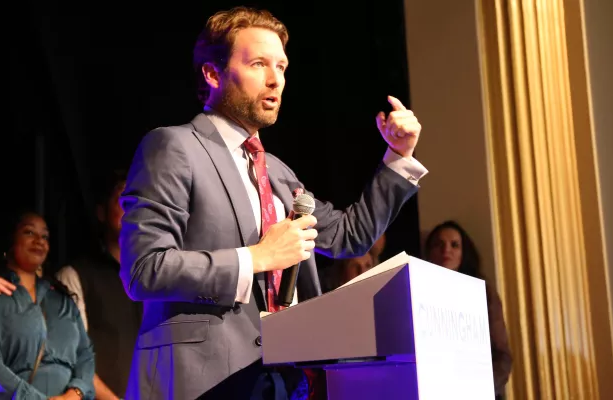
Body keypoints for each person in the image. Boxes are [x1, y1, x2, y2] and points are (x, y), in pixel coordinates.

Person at [120, 6, 428, 400]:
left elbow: (350, 237)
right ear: (213, 74)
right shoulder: (173, 147)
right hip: (202, 382)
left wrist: (398, 157)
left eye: (281, 67)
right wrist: (256, 258)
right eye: (258, 64)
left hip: (284, 383)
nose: (275, 80)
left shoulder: (279, 174)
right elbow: (143, 269)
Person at [0, 210, 95, 399]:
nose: (39, 240)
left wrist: (75, 393)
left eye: (45, 236)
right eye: (29, 232)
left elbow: (85, 356)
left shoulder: (62, 300)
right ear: (10, 239)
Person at [57, 170, 143, 399]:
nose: (131, 208)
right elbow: (73, 357)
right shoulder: (75, 276)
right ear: (101, 212)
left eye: (137, 200)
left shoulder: (156, 278)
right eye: (123, 199)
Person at [425, 220, 512, 398]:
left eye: (454, 245)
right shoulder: (418, 289)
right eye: (439, 244)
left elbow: (502, 356)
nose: (446, 250)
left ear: (464, 253)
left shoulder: (482, 292)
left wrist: (478, 387)